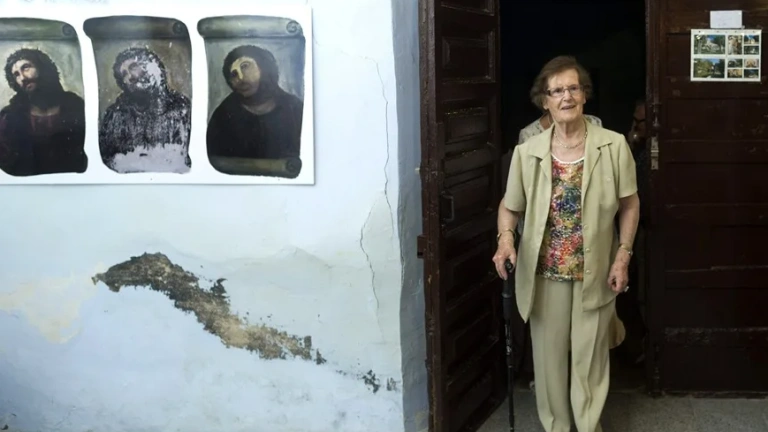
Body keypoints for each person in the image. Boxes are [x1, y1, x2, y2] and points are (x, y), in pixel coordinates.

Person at [492, 56, 640, 432]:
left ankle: (588, 427)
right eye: (556, 91)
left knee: (590, 360)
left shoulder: (613, 145)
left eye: (573, 88)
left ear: (585, 95)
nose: (566, 97)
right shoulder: (528, 152)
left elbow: (629, 203)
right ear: (544, 101)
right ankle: (557, 427)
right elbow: (510, 207)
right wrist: (505, 240)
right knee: (549, 361)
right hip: (545, 274)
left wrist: (622, 256)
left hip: (596, 270)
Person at [206, 44, 304, 177]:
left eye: (245, 66)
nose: (240, 78)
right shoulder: (222, 117)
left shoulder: (295, 108)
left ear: (265, 67)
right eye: (234, 74)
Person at [99, 47, 192, 174]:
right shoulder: (115, 114)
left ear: (152, 67)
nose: (129, 77)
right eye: (124, 74)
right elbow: (106, 160)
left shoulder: (180, 107)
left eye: (133, 67)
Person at [0, 48, 87, 176]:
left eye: (26, 68)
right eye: (16, 75)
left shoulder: (75, 105)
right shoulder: (9, 116)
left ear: (42, 67)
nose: (22, 78)